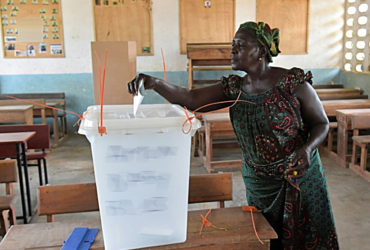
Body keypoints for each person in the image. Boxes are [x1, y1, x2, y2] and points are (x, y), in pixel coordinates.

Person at [127, 21, 339, 250]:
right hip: (260, 183)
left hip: (300, 177)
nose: (233, 50)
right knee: (267, 238)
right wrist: (154, 83)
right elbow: (191, 98)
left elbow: (321, 123)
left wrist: (306, 149)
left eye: (240, 45)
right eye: (232, 45)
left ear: (260, 50)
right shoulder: (234, 88)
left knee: (309, 238)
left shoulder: (292, 84)